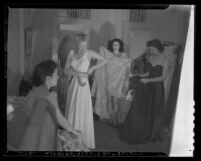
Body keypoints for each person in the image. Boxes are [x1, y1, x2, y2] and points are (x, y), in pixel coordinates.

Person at [18, 60, 85, 151]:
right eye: (56, 75)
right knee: (77, 145)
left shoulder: (31, 92)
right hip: (41, 139)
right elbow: (60, 119)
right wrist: (73, 130)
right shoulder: (50, 96)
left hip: (27, 136)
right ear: (48, 78)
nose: (58, 77)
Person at [119, 39, 169, 144]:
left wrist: (147, 80)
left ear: (158, 48)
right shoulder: (151, 57)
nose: (151, 51)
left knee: (155, 111)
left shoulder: (165, 59)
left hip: (157, 89)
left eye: (153, 50)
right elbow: (148, 73)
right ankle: (146, 133)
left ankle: (153, 135)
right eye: (150, 50)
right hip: (148, 87)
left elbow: (163, 78)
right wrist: (137, 75)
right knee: (147, 110)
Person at [64, 33, 108, 149]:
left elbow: (105, 60)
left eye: (85, 45)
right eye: (81, 45)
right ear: (77, 43)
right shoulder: (71, 53)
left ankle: (83, 140)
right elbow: (65, 70)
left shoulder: (89, 53)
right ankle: (70, 139)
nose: (84, 47)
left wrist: (92, 68)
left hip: (83, 86)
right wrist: (79, 73)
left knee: (82, 111)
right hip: (73, 85)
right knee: (72, 109)